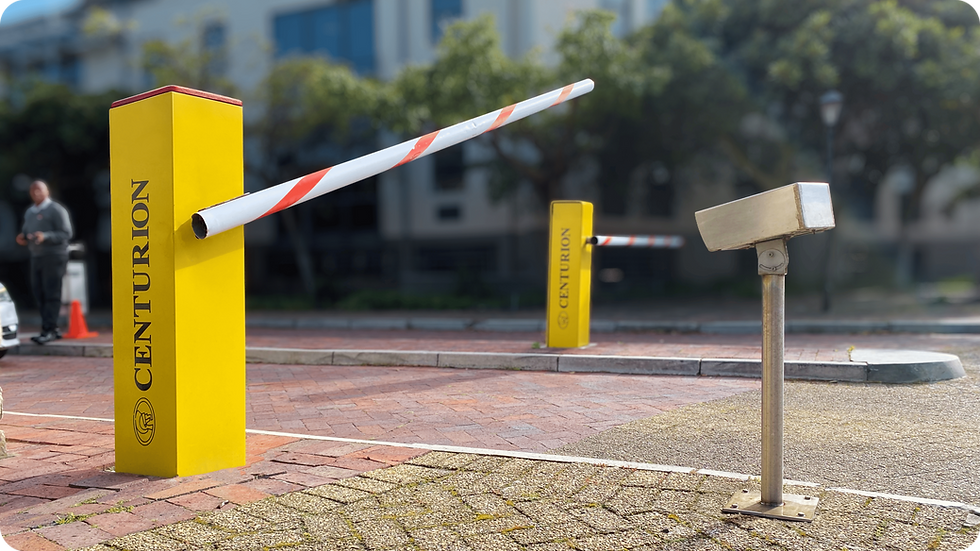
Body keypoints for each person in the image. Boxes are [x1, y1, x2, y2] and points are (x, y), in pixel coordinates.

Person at [15, 180, 74, 344]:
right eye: (33, 190)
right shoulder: (30, 212)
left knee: (51, 292)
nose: (36, 193)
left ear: (47, 191)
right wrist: (23, 237)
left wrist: (46, 236)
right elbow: (27, 232)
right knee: (39, 292)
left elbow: (66, 233)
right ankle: (50, 328)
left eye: (39, 189)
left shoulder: (56, 209)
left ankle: (50, 329)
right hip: (37, 256)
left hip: (54, 255)